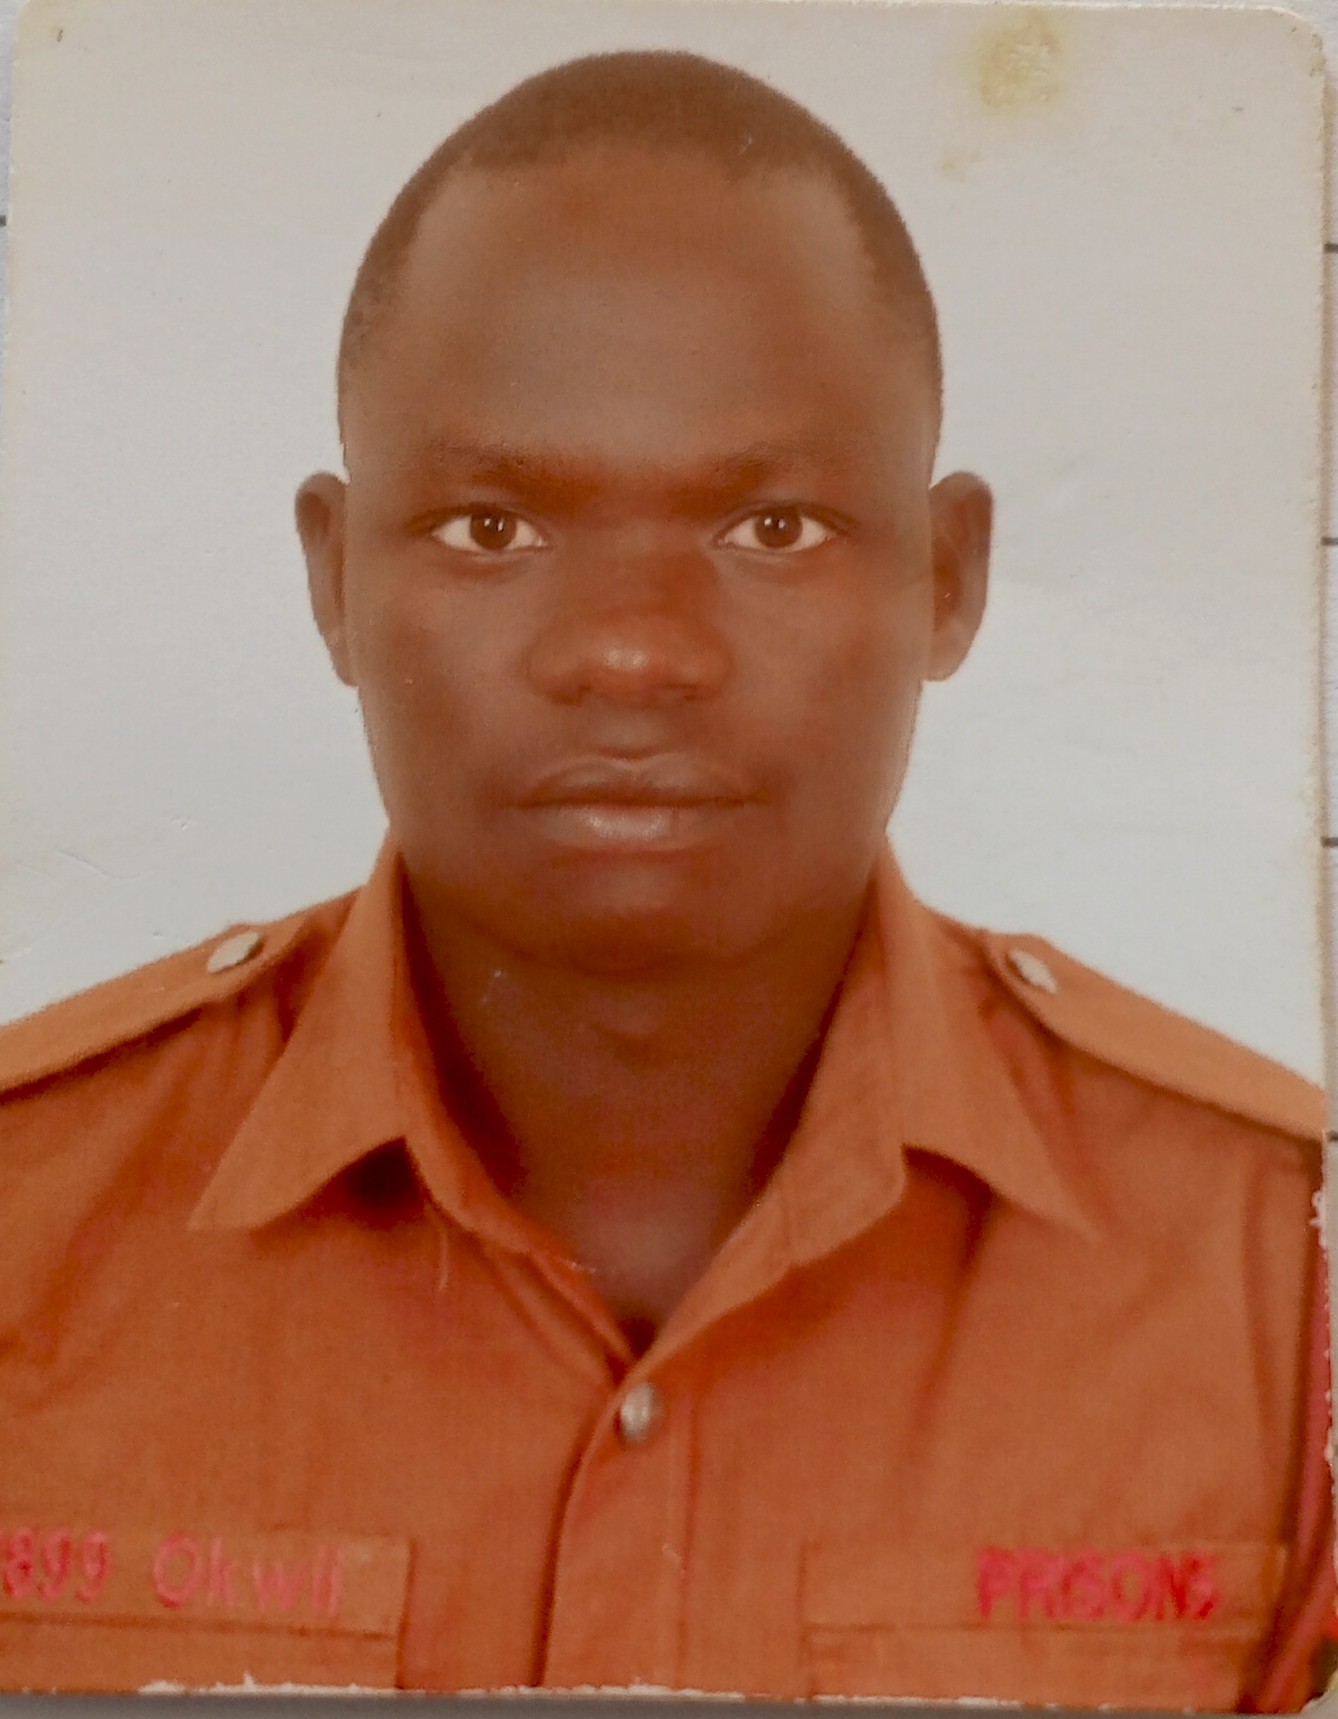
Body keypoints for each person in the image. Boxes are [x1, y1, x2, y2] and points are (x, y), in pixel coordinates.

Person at [0, 49, 1329, 1709]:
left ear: (948, 579)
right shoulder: (27, 1221)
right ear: (333, 583)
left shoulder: (1277, 1269)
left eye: (769, 528)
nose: (629, 654)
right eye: (492, 529)